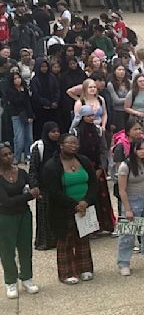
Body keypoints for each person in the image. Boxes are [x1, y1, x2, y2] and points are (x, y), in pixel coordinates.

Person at [43, 133, 98, 284]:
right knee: (65, 240)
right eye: (70, 143)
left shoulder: (84, 161)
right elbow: (53, 192)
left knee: (83, 238)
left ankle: (84, 268)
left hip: (84, 207)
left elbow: (94, 183)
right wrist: (74, 204)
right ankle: (67, 273)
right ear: (61, 145)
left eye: (76, 143)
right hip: (63, 209)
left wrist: (86, 201)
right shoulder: (52, 166)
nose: (74, 146)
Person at [0, 142, 40, 299]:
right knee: (7, 250)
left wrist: (30, 193)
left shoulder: (22, 173)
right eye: (4, 155)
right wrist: (29, 196)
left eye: (10, 153)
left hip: (24, 214)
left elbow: (33, 187)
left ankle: (26, 277)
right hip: (5, 217)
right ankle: (10, 281)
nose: (9, 157)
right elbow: (6, 201)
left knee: (25, 247)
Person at [117, 137, 144, 276]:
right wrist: (127, 209)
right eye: (139, 149)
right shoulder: (125, 166)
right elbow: (122, 190)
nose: (143, 152)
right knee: (127, 234)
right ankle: (123, 262)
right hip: (131, 200)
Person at [70, 106, 115, 233]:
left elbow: (103, 150)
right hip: (82, 169)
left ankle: (104, 225)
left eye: (92, 115)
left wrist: (102, 167)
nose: (91, 118)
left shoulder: (98, 131)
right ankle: (88, 228)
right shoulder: (76, 132)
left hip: (97, 169)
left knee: (101, 197)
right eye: (88, 116)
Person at [30, 122, 60, 251]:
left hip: (58, 186)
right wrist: (35, 186)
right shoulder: (39, 147)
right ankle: (44, 242)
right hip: (44, 187)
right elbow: (33, 168)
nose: (56, 134)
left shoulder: (60, 146)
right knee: (44, 215)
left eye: (57, 131)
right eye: (53, 132)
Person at [4, 72, 34, 164]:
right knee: (19, 138)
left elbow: (28, 103)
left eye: (18, 78)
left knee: (29, 137)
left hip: (27, 115)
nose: (18, 80)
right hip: (16, 115)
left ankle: (27, 156)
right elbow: (16, 101)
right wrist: (21, 92)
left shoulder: (25, 89)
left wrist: (30, 115)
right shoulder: (10, 91)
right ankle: (16, 157)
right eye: (15, 78)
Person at [30, 59, 60, 140]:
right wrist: (47, 103)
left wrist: (55, 101)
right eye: (42, 67)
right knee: (41, 128)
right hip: (40, 109)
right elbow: (36, 95)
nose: (44, 68)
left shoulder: (52, 77)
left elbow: (56, 90)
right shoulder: (35, 80)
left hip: (52, 109)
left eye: (46, 66)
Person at [107, 64, 131, 132]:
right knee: (121, 131)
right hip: (118, 112)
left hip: (129, 110)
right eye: (119, 70)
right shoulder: (111, 84)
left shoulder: (129, 82)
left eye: (123, 70)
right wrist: (129, 99)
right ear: (115, 71)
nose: (122, 72)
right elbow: (116, 100)